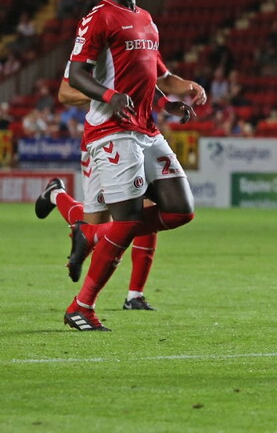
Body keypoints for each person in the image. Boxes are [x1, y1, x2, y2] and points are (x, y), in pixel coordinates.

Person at [54, 0, 205, 331]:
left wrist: (174, 97)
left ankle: (91, 233)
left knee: (181, 209)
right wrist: (109, 96)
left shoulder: (147, 20)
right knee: (127, 219)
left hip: (147, 129)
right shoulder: (98, 18)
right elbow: (75, 76)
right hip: (112, 132)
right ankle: (81, 306)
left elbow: (156, 74)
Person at [33, 59, 204, 311]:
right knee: (98, 221)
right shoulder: (93, 46)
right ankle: (57, 194)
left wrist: (180, 91)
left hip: (140, 134)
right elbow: (65, 93)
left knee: (146, 209)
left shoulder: (142, 41)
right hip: (104, 138)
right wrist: (106, 94)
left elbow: (161, 80)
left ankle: (134, 294)